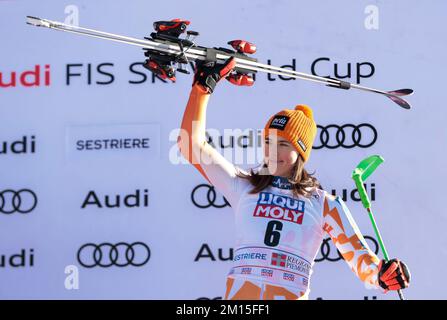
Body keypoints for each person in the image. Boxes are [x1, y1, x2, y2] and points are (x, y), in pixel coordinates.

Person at [176, 57, 411, 300]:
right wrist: (202, 89)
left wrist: (383, 274)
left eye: (283, 144)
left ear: (300, 153)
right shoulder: (244, 186)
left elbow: (360, 257)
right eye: (267, 141)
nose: (272, 151)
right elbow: (191, 146)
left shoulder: (324, 204)